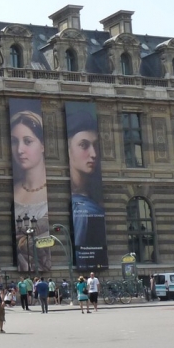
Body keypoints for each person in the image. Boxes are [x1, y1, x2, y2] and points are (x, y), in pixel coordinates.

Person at [11, 108, 52, 272]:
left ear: (42, 145)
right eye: (14, 141)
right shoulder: (13, 193)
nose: (19, 150)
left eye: (27, 141)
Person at [68, 110, 107, 261]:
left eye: (96, 145)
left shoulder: (88, 205)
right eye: (84, 145)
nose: (94, 154)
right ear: (68, 149)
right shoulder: (86, 208)